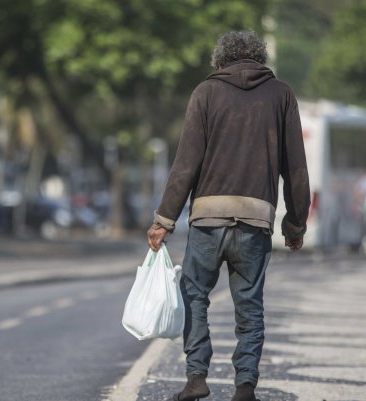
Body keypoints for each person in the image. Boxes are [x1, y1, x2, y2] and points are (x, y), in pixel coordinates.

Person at [146, 31, 310, 401]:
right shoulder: (281, 95)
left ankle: (197, 377)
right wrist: (295, 225)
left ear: (220, 62)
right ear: (260, 58)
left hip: (207, 218)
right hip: (255, 220)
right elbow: (296, 168)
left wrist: (164, 221)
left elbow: (185, 164)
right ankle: (245, 386)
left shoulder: (206, 92)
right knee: (249, 305)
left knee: (195, 295)